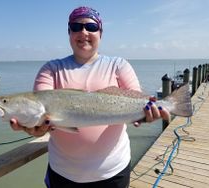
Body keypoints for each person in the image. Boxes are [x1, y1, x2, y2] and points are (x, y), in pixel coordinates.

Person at [10, 6, 170, 188]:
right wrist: (37, 128)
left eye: (91, 27)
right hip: (63, 174)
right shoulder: (51, 69)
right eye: (76, 27)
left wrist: (147, 114)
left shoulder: (118, 65)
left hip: (113, 172)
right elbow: (40, 107)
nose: (83, 32)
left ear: (100, 33)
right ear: (69, 32)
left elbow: (138, 98)